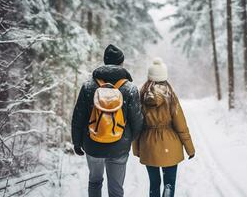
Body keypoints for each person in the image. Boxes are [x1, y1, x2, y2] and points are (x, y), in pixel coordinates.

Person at [71, 44, 144, 197]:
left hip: (92, 144)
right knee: (116, 189)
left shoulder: (88, 86)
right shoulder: (130, 89)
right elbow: (137, 120)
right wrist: (129, 139)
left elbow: (78, 117)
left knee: (95, 182)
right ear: (121, 63)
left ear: (105, 61)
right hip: (119, 146)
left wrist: (77, 142)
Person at [133, 57, 195, 197]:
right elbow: (181, 125)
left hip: (149, 146)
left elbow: (137, 125)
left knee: (154, 183)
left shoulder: (141, 96)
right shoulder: (171, 97)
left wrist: (136, 148)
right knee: (169, 183)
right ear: (164, 76)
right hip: (170, 146)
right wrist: (190, 148)